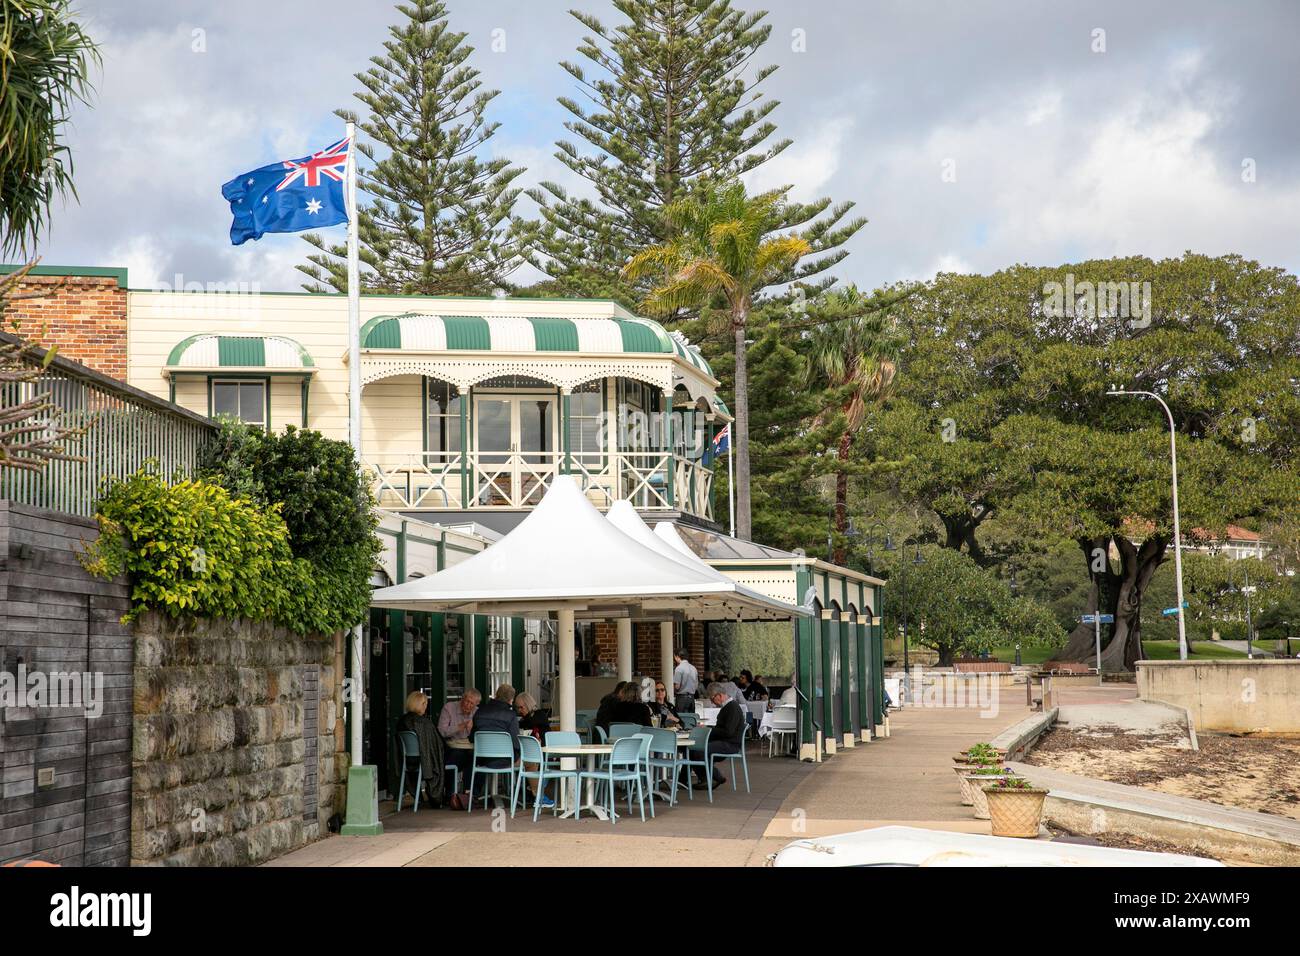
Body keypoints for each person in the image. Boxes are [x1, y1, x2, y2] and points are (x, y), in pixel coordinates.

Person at [680, 682, 745, 789]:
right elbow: (722, 729)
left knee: (698, 751)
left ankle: (714, 777)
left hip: (730, 744)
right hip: (725, 741)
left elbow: (728, 732)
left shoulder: (732, 708)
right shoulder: (728, 707)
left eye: (712, 698)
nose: (712, 702)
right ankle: (683, 780)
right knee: (692, 749)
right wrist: (708, 729)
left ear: (719, 695)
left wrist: (708, 730)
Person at [394, 691, 446, 808]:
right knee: (444, 759)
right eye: (425, 704)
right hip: (422, 760)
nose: (426, 707)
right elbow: (436, 745)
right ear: (420, 704)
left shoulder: (402, 721)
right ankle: (441, 797)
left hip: (407, 760)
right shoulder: (423, 722)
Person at [514, 691, 555, 809]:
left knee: (531, 763)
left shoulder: (539, 715)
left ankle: (537, 794)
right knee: (530, 762)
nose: (520, 711)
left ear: (528, 704)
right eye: (518, 708)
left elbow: (530, 722)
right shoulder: (525, 720)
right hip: (531, 754)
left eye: (521, 707)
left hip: (545, 753)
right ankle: (538, 795)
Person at [437, 688, 480, 797]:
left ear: (476, 704)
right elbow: (441, 731)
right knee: (457, 756)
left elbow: (479, 735)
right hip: (450, 747)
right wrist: (460, 726)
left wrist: (472, 729)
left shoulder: (477, 712)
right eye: (467, 701)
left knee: (476, 757)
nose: (468, 705)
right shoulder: (449, 708)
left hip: (469, 748)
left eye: (472, 703)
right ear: (462, 698)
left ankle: (470, 793)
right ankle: (451, 794)